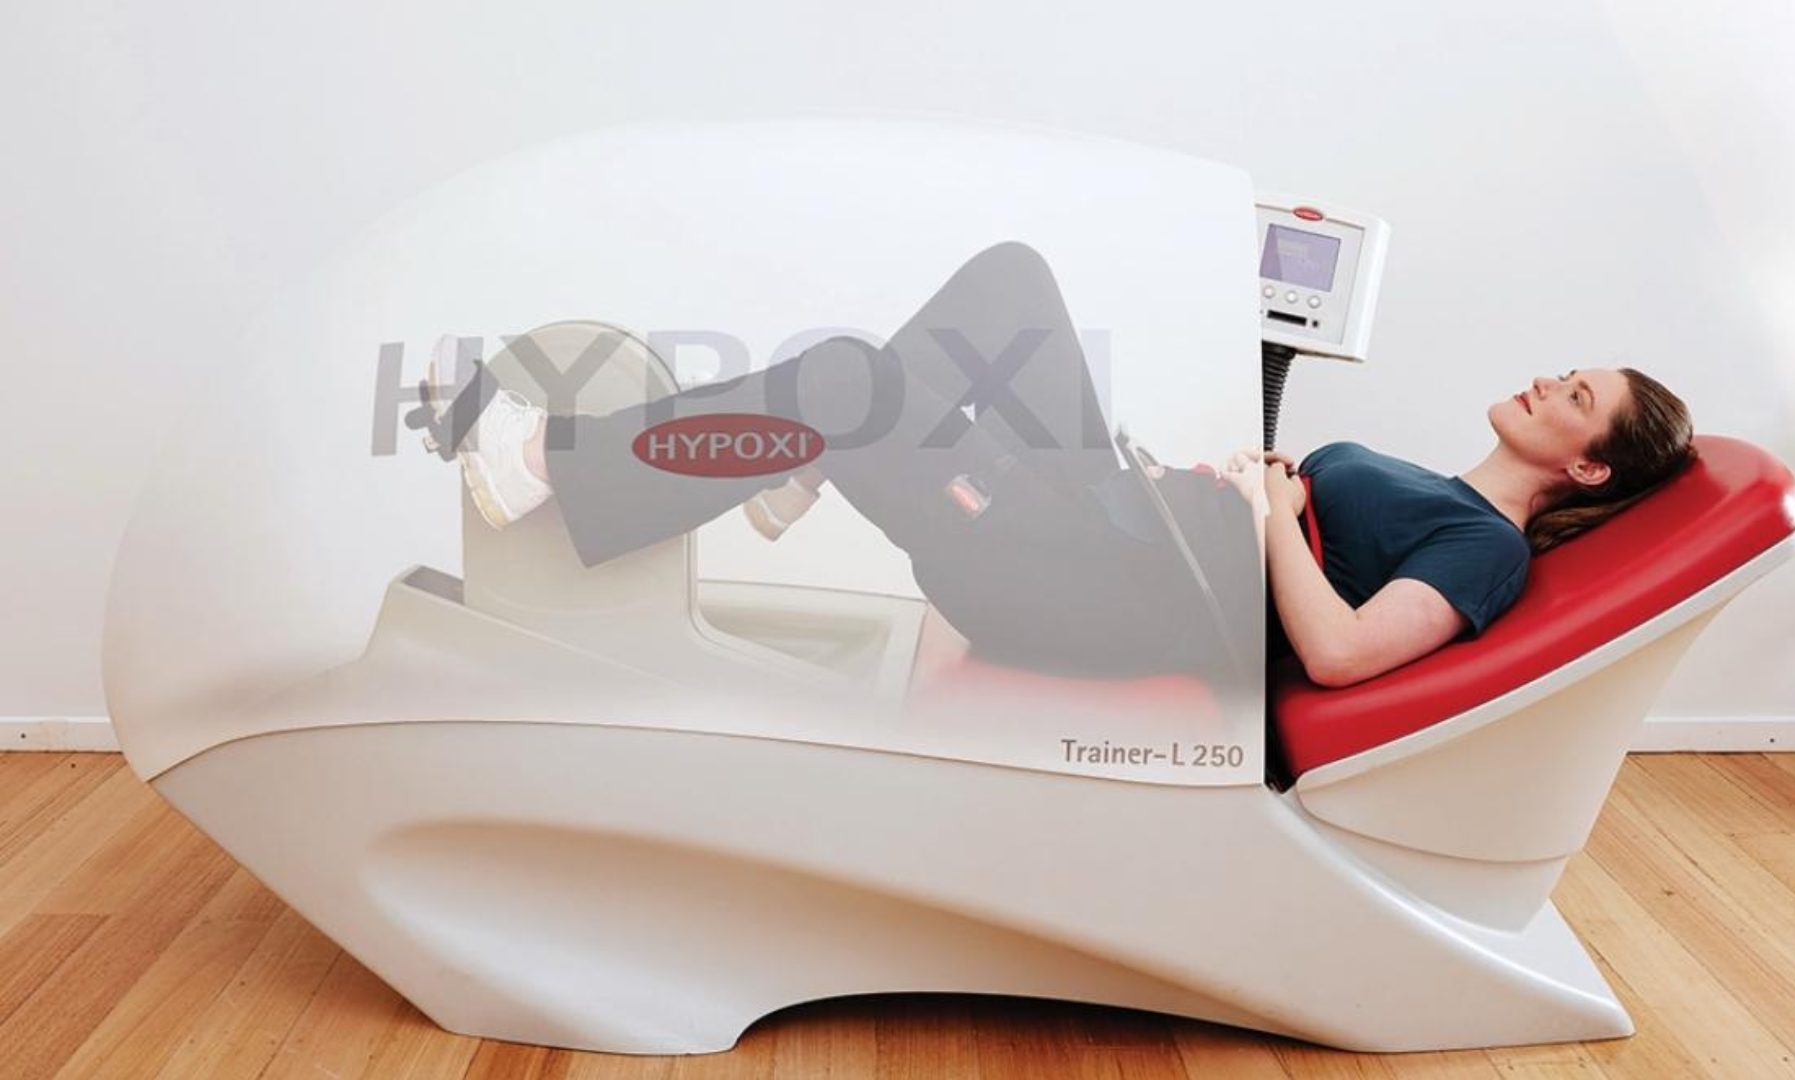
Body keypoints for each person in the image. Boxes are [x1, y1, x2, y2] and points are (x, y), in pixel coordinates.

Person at [412, 241, 1695, 689]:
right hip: (1127, 526)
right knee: (1010, 281)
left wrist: (1256, 514)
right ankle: (800, 461)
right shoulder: (1444, 495)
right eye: (1564, 369)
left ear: (1585, 469)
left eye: (1572, 396)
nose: (1546, 379)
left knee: (849, 377)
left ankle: (543, 465)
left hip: (1105, 592)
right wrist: (1256, 494)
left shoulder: (1483, 550)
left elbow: (1346, 655)